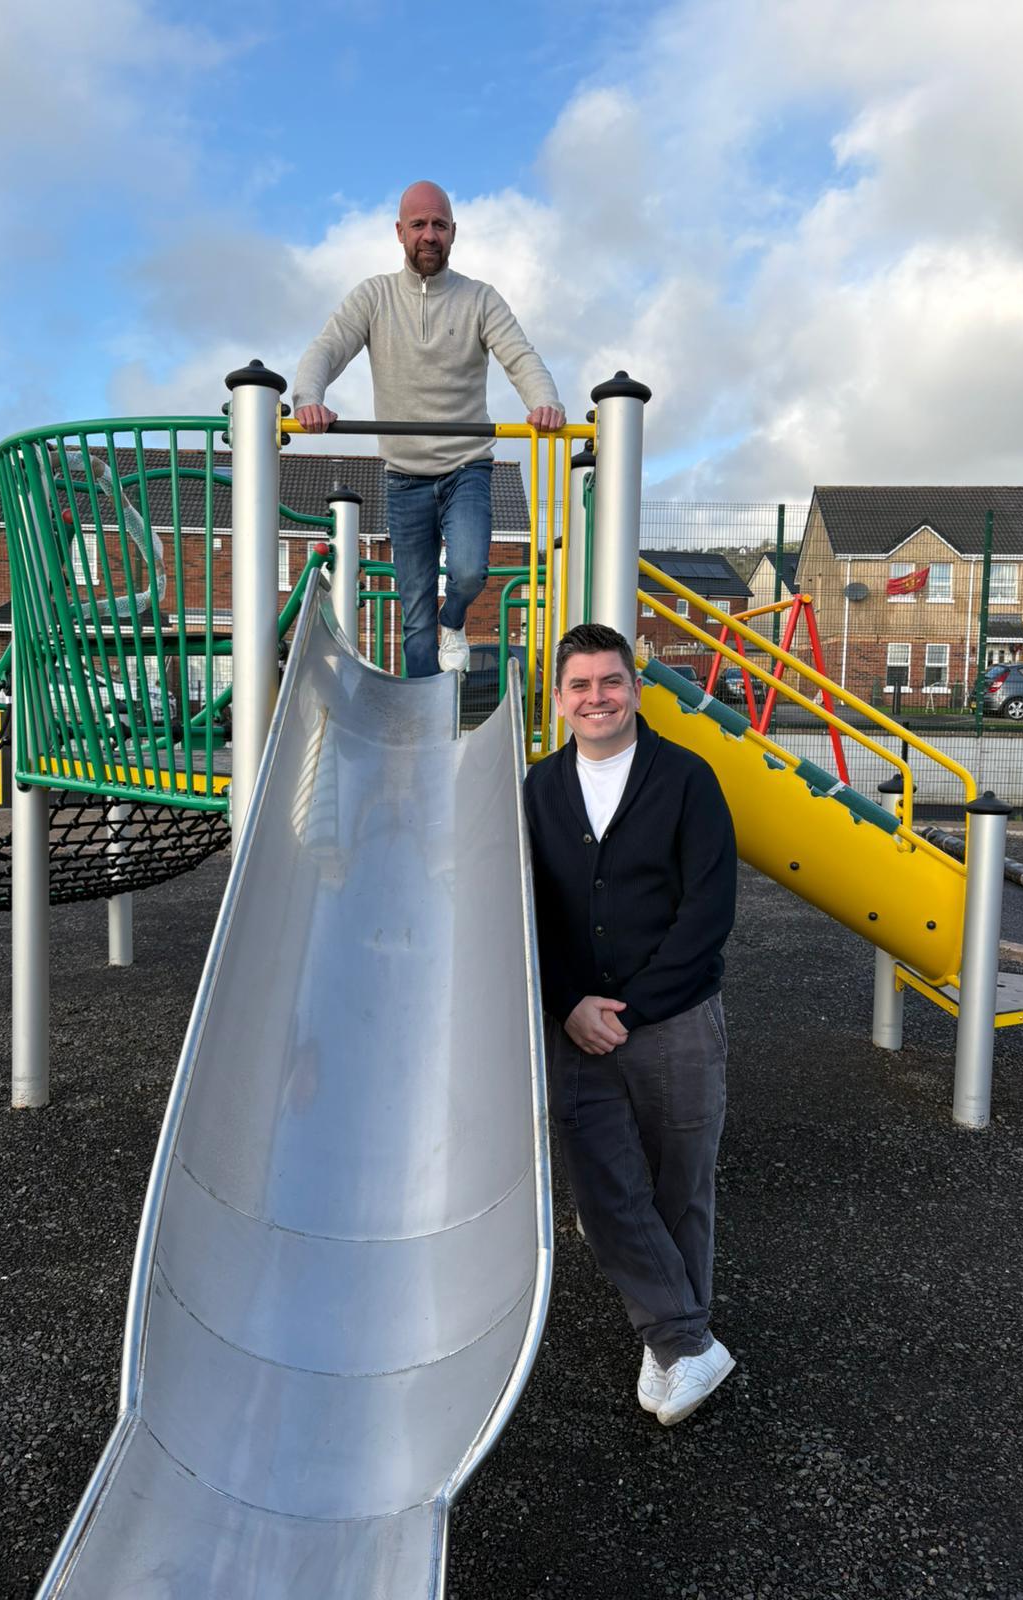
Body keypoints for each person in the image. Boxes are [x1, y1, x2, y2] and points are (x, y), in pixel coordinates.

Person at [522, 623, 738, 1426]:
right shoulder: (538, 789)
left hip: (675, 1018)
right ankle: (686, 1342)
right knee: (606, 1189)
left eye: (610, 682)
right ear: (560, 699)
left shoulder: (686, 779)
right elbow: (526, 911)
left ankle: (667, 1338)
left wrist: (634, 1008)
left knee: (679, 1182)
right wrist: (568, 1003)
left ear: (635, 690)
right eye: (579, 686)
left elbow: (707, 910)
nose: (596, 699)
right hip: (576, 1021)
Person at [292, 180, 565, 678]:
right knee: (414, 617)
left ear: (454, 232)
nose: (429, 235)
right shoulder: (374, 297)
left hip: (466, 468)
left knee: (468, 571)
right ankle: (422, 731)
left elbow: (520, 356)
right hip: (404, 477)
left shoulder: (480, 299)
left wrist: (544, 401)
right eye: (419, 224)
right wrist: (309, 397)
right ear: (400, 232)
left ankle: (455, 619)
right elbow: (328, 347)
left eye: (439, 224)